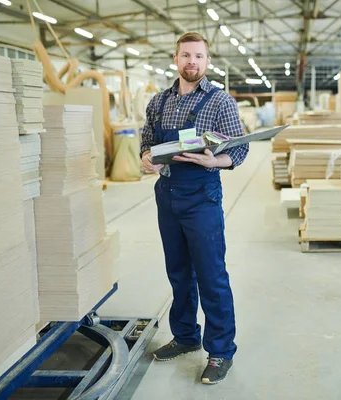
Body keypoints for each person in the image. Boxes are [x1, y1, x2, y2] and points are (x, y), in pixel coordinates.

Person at [140, 31, 248, 385]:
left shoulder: (220, 102)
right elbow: (147, 141)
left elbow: (240, 149)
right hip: (167, 193)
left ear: (207, 61)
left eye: (199, 56)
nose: (192, 62)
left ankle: (220, 351)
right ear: (176, 58)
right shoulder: (158, 102)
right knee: (179, 273)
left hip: (201, 195)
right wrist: (145, 159)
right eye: (186, 55)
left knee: (211, 275)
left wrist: (215, 163)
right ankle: (185, 336)